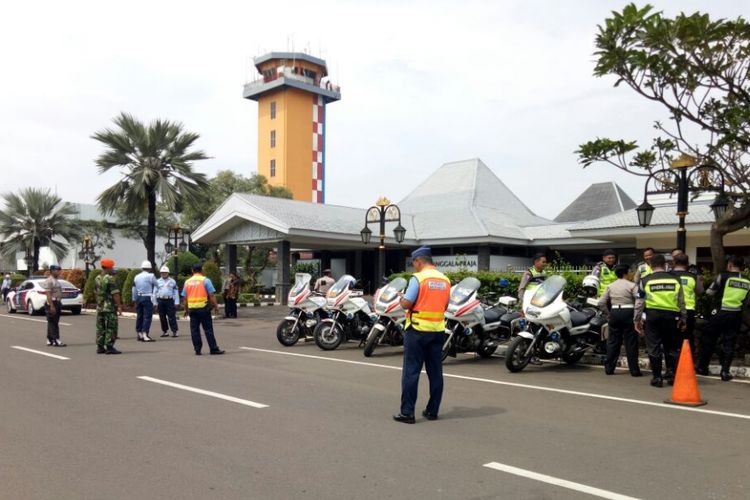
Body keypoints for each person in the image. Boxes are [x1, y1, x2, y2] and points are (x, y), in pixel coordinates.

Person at [393, 246, 450, 424]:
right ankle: (432, 411)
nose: (414, 266)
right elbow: (445, 306)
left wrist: (402, 299)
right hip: (437, 331)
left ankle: (407, 413)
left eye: (414, 263)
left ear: (419, 261)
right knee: (435, 372)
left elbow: (407, 303)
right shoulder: (445, 280)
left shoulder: (418, 278)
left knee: (411, 372)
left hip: (417, 330)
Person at [635, 254, 686, 387]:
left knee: (653, 347)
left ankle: (657, 378)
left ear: (651, 266)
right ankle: (672, 374)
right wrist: (683, 318)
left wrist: (637, 320)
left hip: (653, 316)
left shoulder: (645, 280)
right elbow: (681, 301)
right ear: (665, 264)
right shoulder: (676, 279)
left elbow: (639, 303)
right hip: (672, 316)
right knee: (672, 347)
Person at [697, 255, 750, 381]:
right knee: (730, 343)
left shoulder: (723, 276)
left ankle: (702, 368)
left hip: (720, 313)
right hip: (736, 314)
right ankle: (725, 372)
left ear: (730, 265)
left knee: (709, 339)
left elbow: (710, 293)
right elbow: (747, 300)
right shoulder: (747, 280)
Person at [597, 264, 642, 377]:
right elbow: (640, 300)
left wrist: (608, 313)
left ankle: (609, 368)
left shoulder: (610, 286)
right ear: (626, 273)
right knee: (630, 342)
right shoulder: (632, 285)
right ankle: (634, 370)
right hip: (629, 312)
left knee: (613, 341)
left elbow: (601, 302)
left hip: (615, 312)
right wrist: (637, 316)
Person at [182, 263, 224, 356]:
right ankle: (213, 349)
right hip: (203, 309)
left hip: (192, 309)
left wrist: (186, 309)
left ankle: (197, 350)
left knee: (194, 330)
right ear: (201, 270)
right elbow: (211, 295)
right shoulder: (205, 280)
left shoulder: (187, 282)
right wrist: (216, 306)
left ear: (192, 271)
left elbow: (185, 298)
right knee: (208, 330)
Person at [671, 252, 703, 352]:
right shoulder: (693, 277)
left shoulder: (668, 275)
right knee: (687, 337)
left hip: (671, 309)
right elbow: (700, 291)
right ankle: (688, 361)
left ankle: (673, 364)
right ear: (687, 263)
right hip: (689, 310)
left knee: (671, 337)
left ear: (674, 262)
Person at [95, 259, 123, 354]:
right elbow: (115, 294)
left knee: (100, 327)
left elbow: (96, 292)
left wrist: (99, 303)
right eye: (112, 267)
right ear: (109, 267)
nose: (113, 268)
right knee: (111, 327)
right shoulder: (110, 279)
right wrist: (119, 306)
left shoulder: (97, 278)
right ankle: (110, 346)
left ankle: (100, 346)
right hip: (109, 307)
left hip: (100, 306)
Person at [132, 260, 158, 342]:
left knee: (140, 315)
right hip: (147, 297)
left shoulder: (136, 276)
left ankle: (139, 333)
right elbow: (157, 284)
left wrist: (134, 299)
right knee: (147, 316)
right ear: (150, 268)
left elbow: (134, 289)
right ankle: (145, 334)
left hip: (139, 297)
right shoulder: (151, 276)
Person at [44, 265, 66, 347]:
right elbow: (48, 294)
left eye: (59, 270)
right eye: (57, 270)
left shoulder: (56, 280)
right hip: (52, 302)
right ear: (52, 271)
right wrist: (51, 306)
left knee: (52, 322)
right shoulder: (49, 281)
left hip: (57, 302)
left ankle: (50, 339)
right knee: (54, 322)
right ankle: (56, 339)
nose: (59, 271)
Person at [155, 265, 180, 338]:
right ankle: (165, 331)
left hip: (169, 300)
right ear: (160, 273)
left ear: (168, 273)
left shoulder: (172, 281)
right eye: (162, 272)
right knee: (162, 317)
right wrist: (155, 302)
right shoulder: (157, 281)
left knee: (171, 316)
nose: (163, 274)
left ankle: (175, 331)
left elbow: (176, 292)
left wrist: (177, 302)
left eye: (165, 272)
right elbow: (154, 292)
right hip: (160, 300)